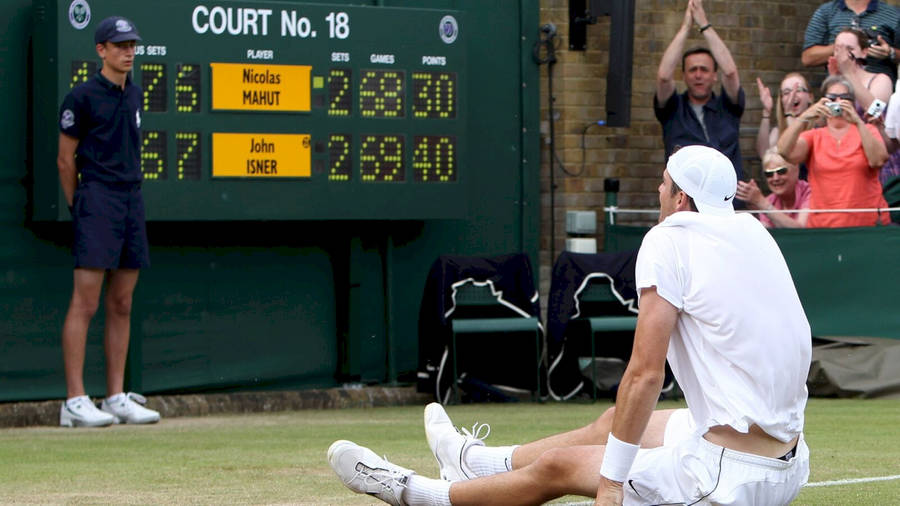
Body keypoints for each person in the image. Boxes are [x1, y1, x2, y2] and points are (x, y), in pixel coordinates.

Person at [328, 145, 812, 505]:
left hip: (730, 478)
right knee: (612, 422)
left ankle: (413, 493)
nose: (658, 191)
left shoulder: (668, 239)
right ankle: (470, 461)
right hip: (785, 459)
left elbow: (645, 374)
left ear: (680, 198)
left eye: (664, 184)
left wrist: (611, 483)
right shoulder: (753, 233)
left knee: (559, 467)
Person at [57, 16, 160, 427]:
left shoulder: (134, 94)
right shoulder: (80, 97)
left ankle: (116, 396)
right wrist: (81, 206)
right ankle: (74, 401)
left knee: (122, 302)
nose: (128, 51)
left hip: (131, 199)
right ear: (101, 50)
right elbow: (65, 160)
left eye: (132, 44)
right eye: (120, 45)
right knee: (86, 302)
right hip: (96, 198)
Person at [777, 75, 891, 228]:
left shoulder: (867, 130)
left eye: (844, 98)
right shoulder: (814, 136)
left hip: (867, 225)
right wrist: (805, 116)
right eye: (832, 98)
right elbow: (784, 151)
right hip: (823, 226)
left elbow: (878, 160)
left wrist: (857, 121)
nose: (838, 102)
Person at [654, 0, 745, 182]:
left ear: (714, 75)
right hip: (685, 195)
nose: (698, 75)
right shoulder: (673, 109)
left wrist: (704, 24)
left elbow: (730, 72)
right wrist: (685, 28)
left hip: (726, 195)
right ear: (684, 76)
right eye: (692, 70)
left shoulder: (728, 107)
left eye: (704, 70)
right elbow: (663, 76)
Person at [802, 0, 900, 83]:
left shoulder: (893, 14)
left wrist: (891, 53)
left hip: (879, 90)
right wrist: (845, 45)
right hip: (839, 90)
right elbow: (808, 58)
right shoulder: (826, 12)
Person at [755, 73, 815, 173]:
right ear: (781, 100)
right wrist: (766, 112)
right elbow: (764, 155)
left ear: (810, 97)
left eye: (798, 90)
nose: (792, 95)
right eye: (787, 93)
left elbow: (796, 150)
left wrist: (789, 113)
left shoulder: (818, 128)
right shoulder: (778, 131)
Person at [737, 149, 811, 228]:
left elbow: (800, 230)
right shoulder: (769, 201)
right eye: (769, 174)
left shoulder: (810, 192)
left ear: (796, 171)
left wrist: (761, 202)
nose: (775, 178)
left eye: (781, 171)